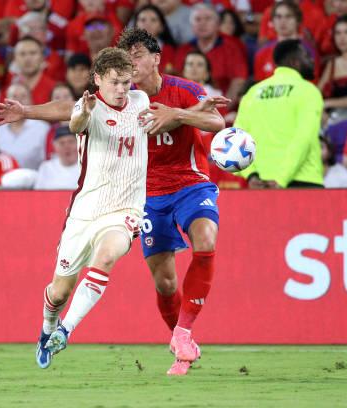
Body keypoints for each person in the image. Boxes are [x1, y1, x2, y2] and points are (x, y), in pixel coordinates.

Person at [0, 47, 151, 370]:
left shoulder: (140, 102)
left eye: (126, 82)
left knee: (108, 256)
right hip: (84, 212)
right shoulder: (87, 108)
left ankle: (65, 330)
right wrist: (38, 111)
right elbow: (75, 121)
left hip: (125, 209)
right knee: (59, 292)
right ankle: (48, 327)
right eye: (115, 83)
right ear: (97, 80)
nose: (122, 89)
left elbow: (152, 108)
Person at [117, 28, 228, 376]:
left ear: (156, 59)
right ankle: (181, 343)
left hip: (191, 183)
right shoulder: (122, 99)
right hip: (148, 195)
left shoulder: (184, 89)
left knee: (206, 240)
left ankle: (183, 331)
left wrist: (177, 115)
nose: (131, 62)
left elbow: (216, 120)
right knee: (165, 282)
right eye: (126, 56)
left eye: (137, 54)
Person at [235, 39, 324, 188]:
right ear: (295, 61)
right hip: (303, 181)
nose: (312, 60)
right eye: (307, 56)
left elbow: (237, 139)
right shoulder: (308, 90)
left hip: (261, 183)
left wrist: (250, 175)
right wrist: (281, 178)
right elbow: (304, 137)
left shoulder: (253, 93)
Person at [175, 4, 247, 106]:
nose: (202, 23)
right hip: (186, 106)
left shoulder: (232, 47)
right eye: (198, 19)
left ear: (218, 24)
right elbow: (177, 80)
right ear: (192, 25)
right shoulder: (183, 50)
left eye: (208, 19)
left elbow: (238, 80)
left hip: (222, 106)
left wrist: (223, 107)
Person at [0, 83, 49, 170]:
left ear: (31, 101)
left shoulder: (43, 128)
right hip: (2, 181)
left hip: (33, 181)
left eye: (23, 96)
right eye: (14, 96)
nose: (18, 101)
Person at [7, 36, 57, 105]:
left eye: (33, 53)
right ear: (15, 58)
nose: (28, 59)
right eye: (22, 54)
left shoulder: (54, 89)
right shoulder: (8, 89)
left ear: (42, 57)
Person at [133, 4, 177, 74]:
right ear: (135, 25)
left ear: (161, 27)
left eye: (153, 20)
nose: (147, 24)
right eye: (143, 20)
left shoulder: (172, 51)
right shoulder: (127, 50)